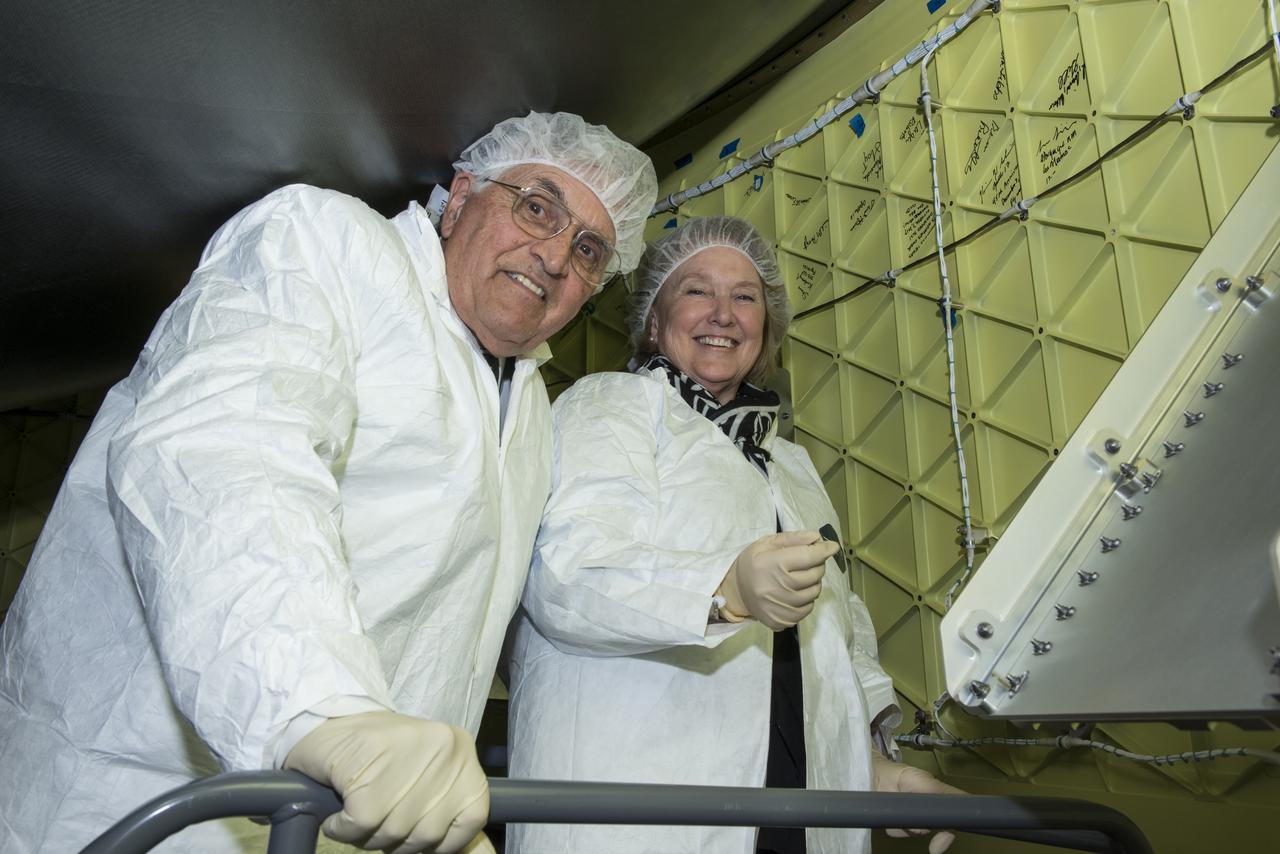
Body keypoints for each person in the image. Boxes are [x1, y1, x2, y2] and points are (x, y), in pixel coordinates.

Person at [0, 111, 657, 854]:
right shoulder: (325, 242)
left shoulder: (528, 405)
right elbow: (229, 451)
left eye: (588, 249)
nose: (553, 256)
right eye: (537, 207)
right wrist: (324, 710)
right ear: (463, 197)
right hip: (152, 795)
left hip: (356, 818)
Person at [505, 216, 962, 854]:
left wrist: (867, 766)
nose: (723, 313)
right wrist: (723, 591)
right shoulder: (609, 407)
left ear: (766, 328)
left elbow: (835, 634)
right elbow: (565, 575)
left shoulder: (789, 464)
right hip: (638, 803)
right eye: (696, 291)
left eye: (745, 297)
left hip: (796, 820)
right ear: (653, 321)